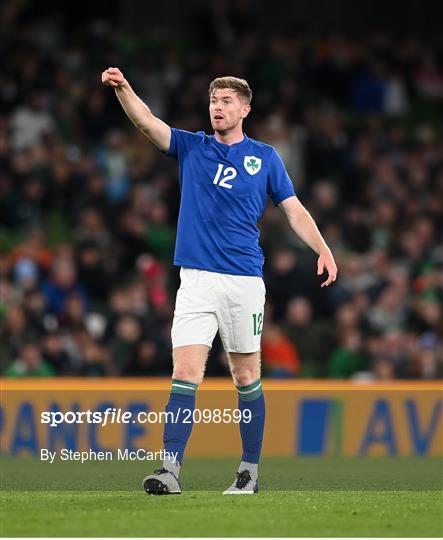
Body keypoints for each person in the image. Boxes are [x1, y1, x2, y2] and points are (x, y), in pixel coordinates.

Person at [101, 67, 338, 495]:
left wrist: (322, 248)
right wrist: (125, 90)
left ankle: (248, 471)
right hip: (195, 281)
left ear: (245, 109)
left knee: (245, 376)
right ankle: (169, 470)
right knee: (185, 371)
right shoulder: (192, 147)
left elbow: (293, 209)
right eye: (214, 101)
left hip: (245, 281)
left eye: (227, 101)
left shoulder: (265, 157)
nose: (218, 107)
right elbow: (146, 122)